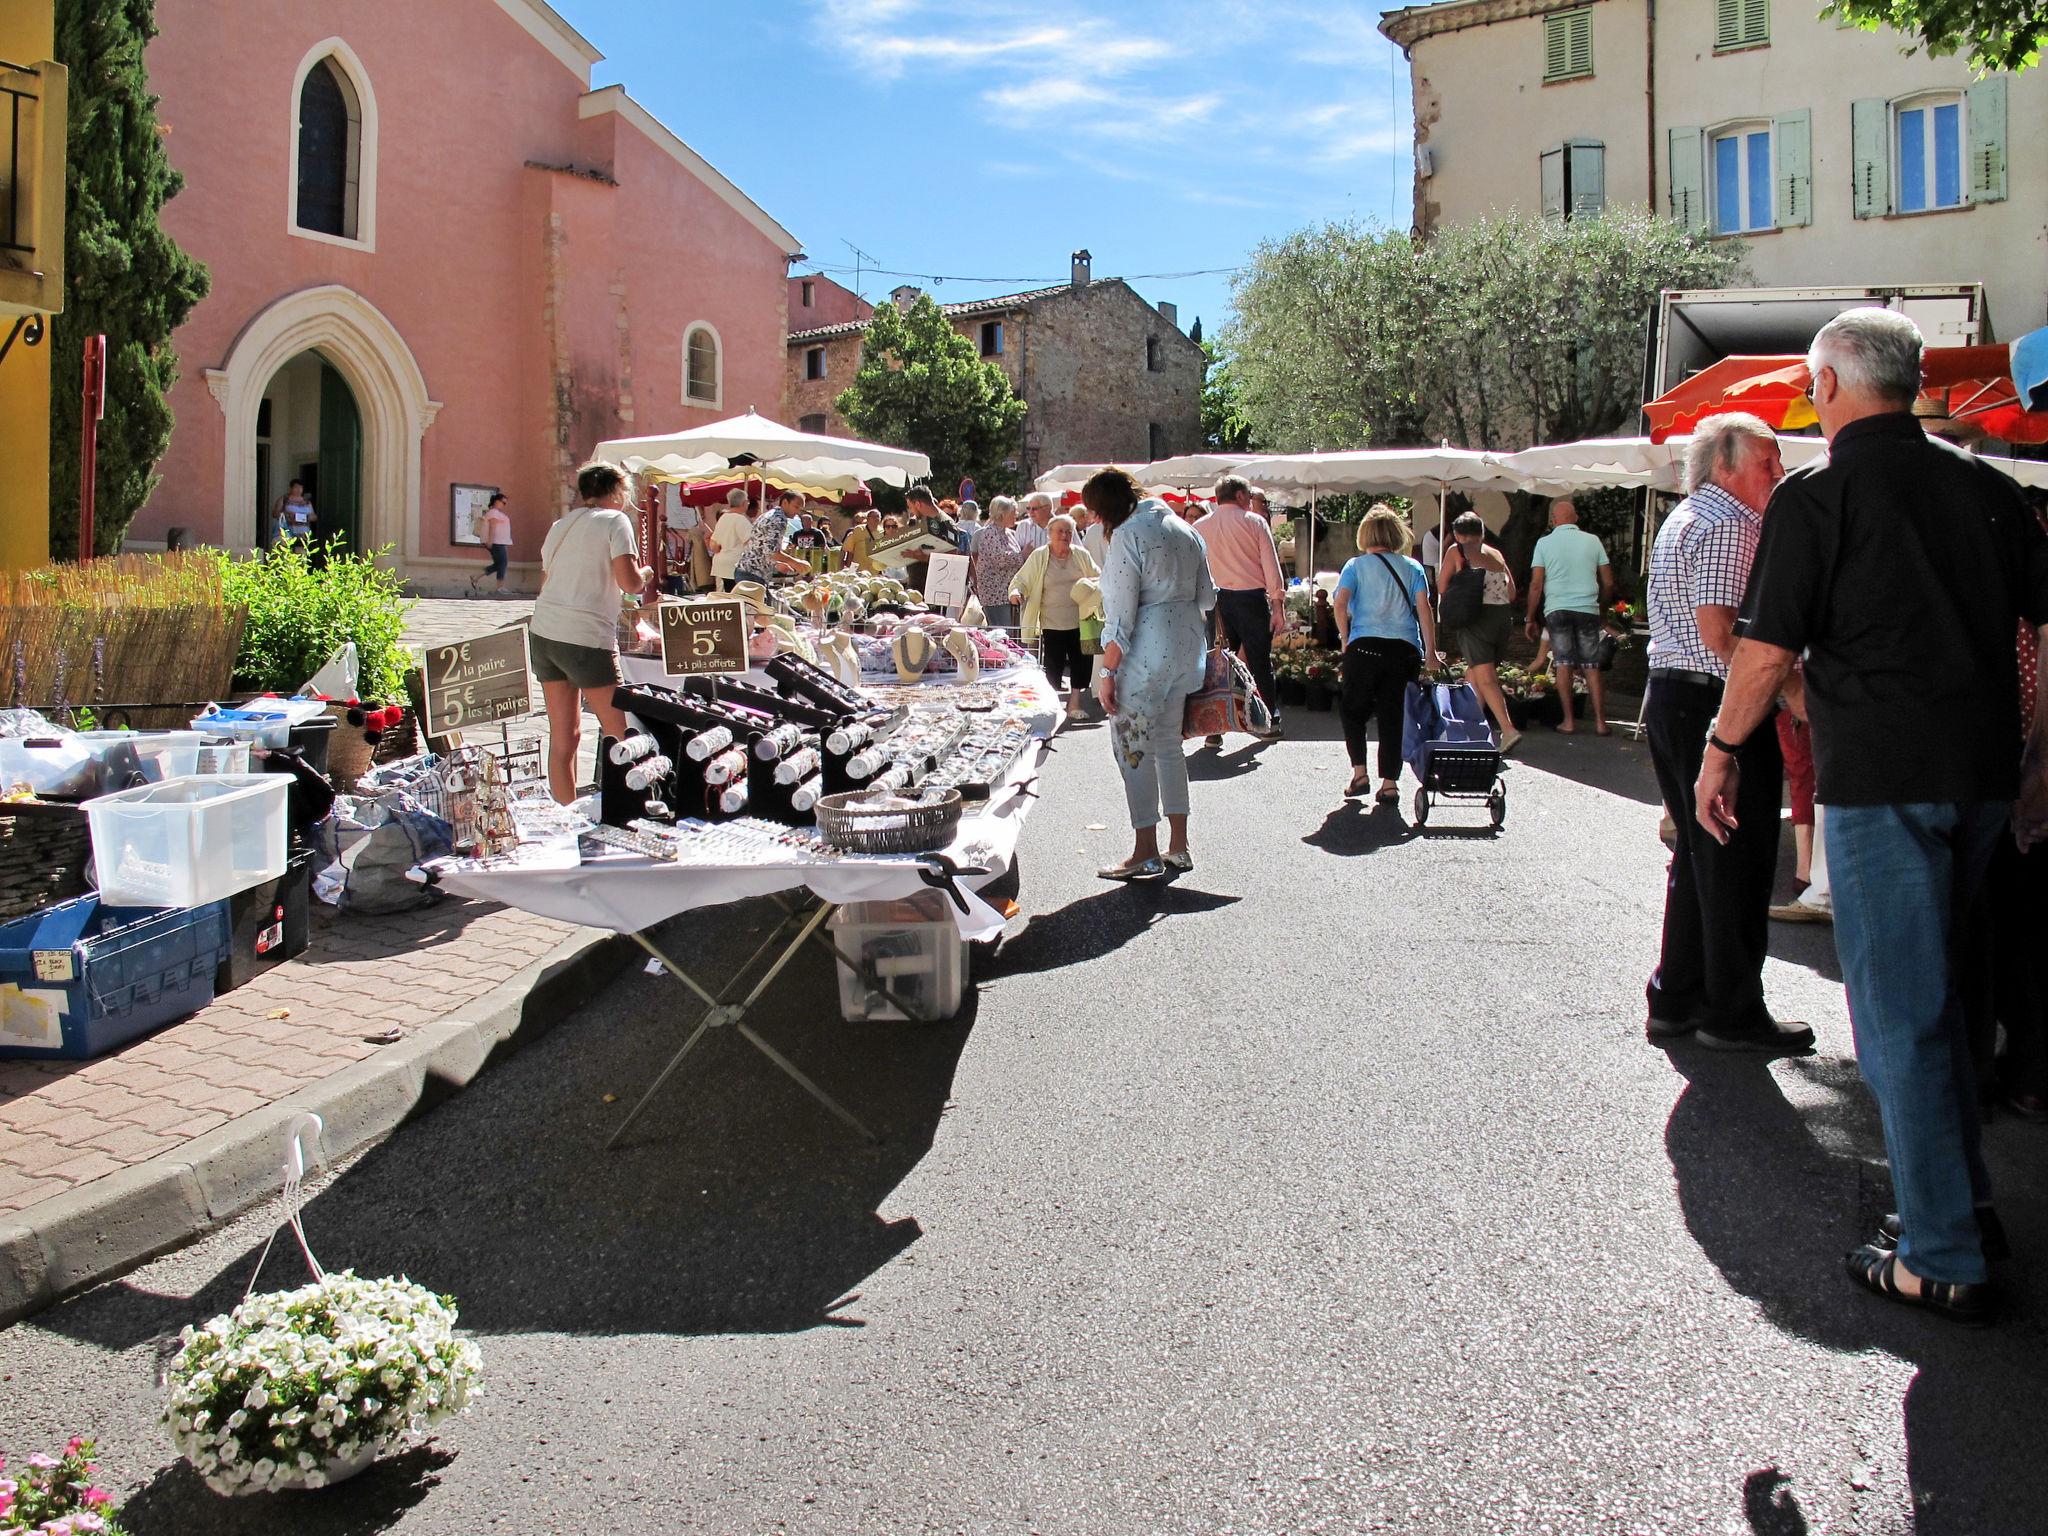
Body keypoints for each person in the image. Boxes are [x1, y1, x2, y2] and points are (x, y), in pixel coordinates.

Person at [1698, 308, 2048, 1323]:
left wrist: (1720, 752)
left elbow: (1764, 655)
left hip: (1881, 776)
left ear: (1835, 385)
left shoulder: (1816, 495)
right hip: (1979, 772)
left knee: (1899, 1015)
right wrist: (2038, 759)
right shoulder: (1987, 488)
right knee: (1945, 996)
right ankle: (1958, 1210)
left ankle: (1941, 1249)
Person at [1641, 412, 1810, 1054]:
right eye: (1767, 461)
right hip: (1712, 702)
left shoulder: (1692, 517)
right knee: (1735, 858)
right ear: (1724, 466)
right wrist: (1793, 688)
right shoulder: (1728, 522)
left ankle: (1679, 998)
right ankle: (1729, 1009)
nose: (1779, 472)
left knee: (1700, 852)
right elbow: (1724, 637)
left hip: (1680, 695)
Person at [1087, 467, 1214, 880]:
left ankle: (1145, 849)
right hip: (1186, 645)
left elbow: (1120, 613)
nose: (1094, 521)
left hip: (1146, 650)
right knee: (1168, 746)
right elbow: (1207, 596)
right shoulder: (1185, 528)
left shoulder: (1129, 534)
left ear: (1106, 511)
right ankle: (1180, 844)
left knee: (1133, 748)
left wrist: (1107, 671)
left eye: (1094, 513)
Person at [529, 461, 653, 806]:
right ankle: (635, 807)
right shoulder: (616, 521)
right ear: (618, 492)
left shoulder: (560, 525)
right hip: (586, 635)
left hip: (546, 631)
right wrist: (645, 572)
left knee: (563, 736)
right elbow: (630, 582)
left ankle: (564, 811)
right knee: (620, 731)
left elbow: (546, 580)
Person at [1333, 505, 1443, 803]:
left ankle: (1359, 773)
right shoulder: (1413, 567)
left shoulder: (1355, 566)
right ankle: (1390, 783)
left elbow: (1340, 603)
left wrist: (1345, 638)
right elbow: (1424, 610)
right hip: (1404, 649)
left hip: (1364, 645)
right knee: (1393, 715)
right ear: (1397, 534)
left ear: (1364, 534)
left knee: (1353, 711)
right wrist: (1430, 652)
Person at [1194, 474, 1286, 743]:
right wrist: (1278, 602)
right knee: (1259, 661)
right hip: (1250, 598)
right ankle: (1269, 720)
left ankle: (1214, 728)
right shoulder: (1254, 522)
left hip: (1216, 601)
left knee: (1219, 661)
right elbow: (1270, 565)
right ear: (1241, 496)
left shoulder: (1200, 526)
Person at [1525, 498, 1615, 735]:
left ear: (1553, 521)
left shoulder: (1544, 544)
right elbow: (1608, 581)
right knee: (1591, 665)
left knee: (1563, 663)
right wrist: (1603, 610)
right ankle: (1600, 723)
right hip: (1587, 608)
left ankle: (1568, 721)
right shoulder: (1593, 541)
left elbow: (1536, 584)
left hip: (1557, 609)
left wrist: (1530, 617)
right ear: (1575, 518)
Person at [1435, 510, 1521, 754]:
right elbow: (1512, 593)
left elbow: (1442, 586)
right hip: (1502, 619)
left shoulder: (1456, 551)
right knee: (1475, 675)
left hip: (1476, 619)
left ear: (1457, 535)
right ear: (1482, 532)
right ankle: (1469, 731)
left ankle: (1508, 729)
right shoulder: (1496, 553)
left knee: (1485, 678)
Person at [1010, 512, 1101, 720]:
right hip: (1052, 621)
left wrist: (1092, 587)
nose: (1064, 535)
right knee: (1053, 665)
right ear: (1049, 534)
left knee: (1082, 662)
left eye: (1069, 532)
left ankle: (1074, 703)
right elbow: (1022, 579)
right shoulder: (1040, 556)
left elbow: (1097, 576)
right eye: (1060, 531)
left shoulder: (1081, 555)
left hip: (1082, 618)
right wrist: (1016, 593)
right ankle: (1051, 707)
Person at [969, 496, 1028, 629]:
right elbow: (1000, 559)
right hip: (995, 596)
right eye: (1013, 512)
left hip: (1006, 593)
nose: (1016, 515)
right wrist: (1022, 555)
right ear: (1002, 514)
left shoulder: (1008, 533)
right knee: (1001, 632)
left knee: (1009, 632)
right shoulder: (990, 533)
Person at [736, 489, 799, 583]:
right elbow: (772, 552)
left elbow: (763, 548)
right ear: (785, 502)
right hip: (753, 574)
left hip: (746, 570)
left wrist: (777, 564)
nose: (797, 511)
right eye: (796, 507)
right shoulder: (779, 519)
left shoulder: (768, 515)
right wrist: (797, 563)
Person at [710, 487, 753, 592]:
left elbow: (713, 545)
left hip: (722, 563)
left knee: (728, 595)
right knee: (737, 596)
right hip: (735, 565)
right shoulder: (741, 520)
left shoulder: (723, 518)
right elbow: (750, 543)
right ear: (744, 503)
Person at [470, 491, 513, 595]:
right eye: (503, 502)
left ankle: (476, 576)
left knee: (499, 564)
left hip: (500, 541)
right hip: (497, 542)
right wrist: (490, 540)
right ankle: (500, 587)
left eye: (505, 503)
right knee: (502, 563)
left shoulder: (496, 513)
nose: (504, 505)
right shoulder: (493, 512)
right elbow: (492, 527)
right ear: (496, 501)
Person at [271, 480, 317, 546]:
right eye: (296, 487)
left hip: (303, 533)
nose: (299, 490)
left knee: (301, 553)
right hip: (287, 532)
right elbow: (275, 514)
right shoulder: (284, 499)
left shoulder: (307, 502)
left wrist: (304, 517)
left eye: (301, 488)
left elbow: (314, 517)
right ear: (291, 488)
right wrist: (287, 515)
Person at [842, 507, 883, 574]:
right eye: (873, 516)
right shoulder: (858, 530)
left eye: (878, 516)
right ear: (867, 519)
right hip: (858, 571)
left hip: (875, 572)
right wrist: (849, 568)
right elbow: (849, 550)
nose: (876, 518)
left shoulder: (882, 532)